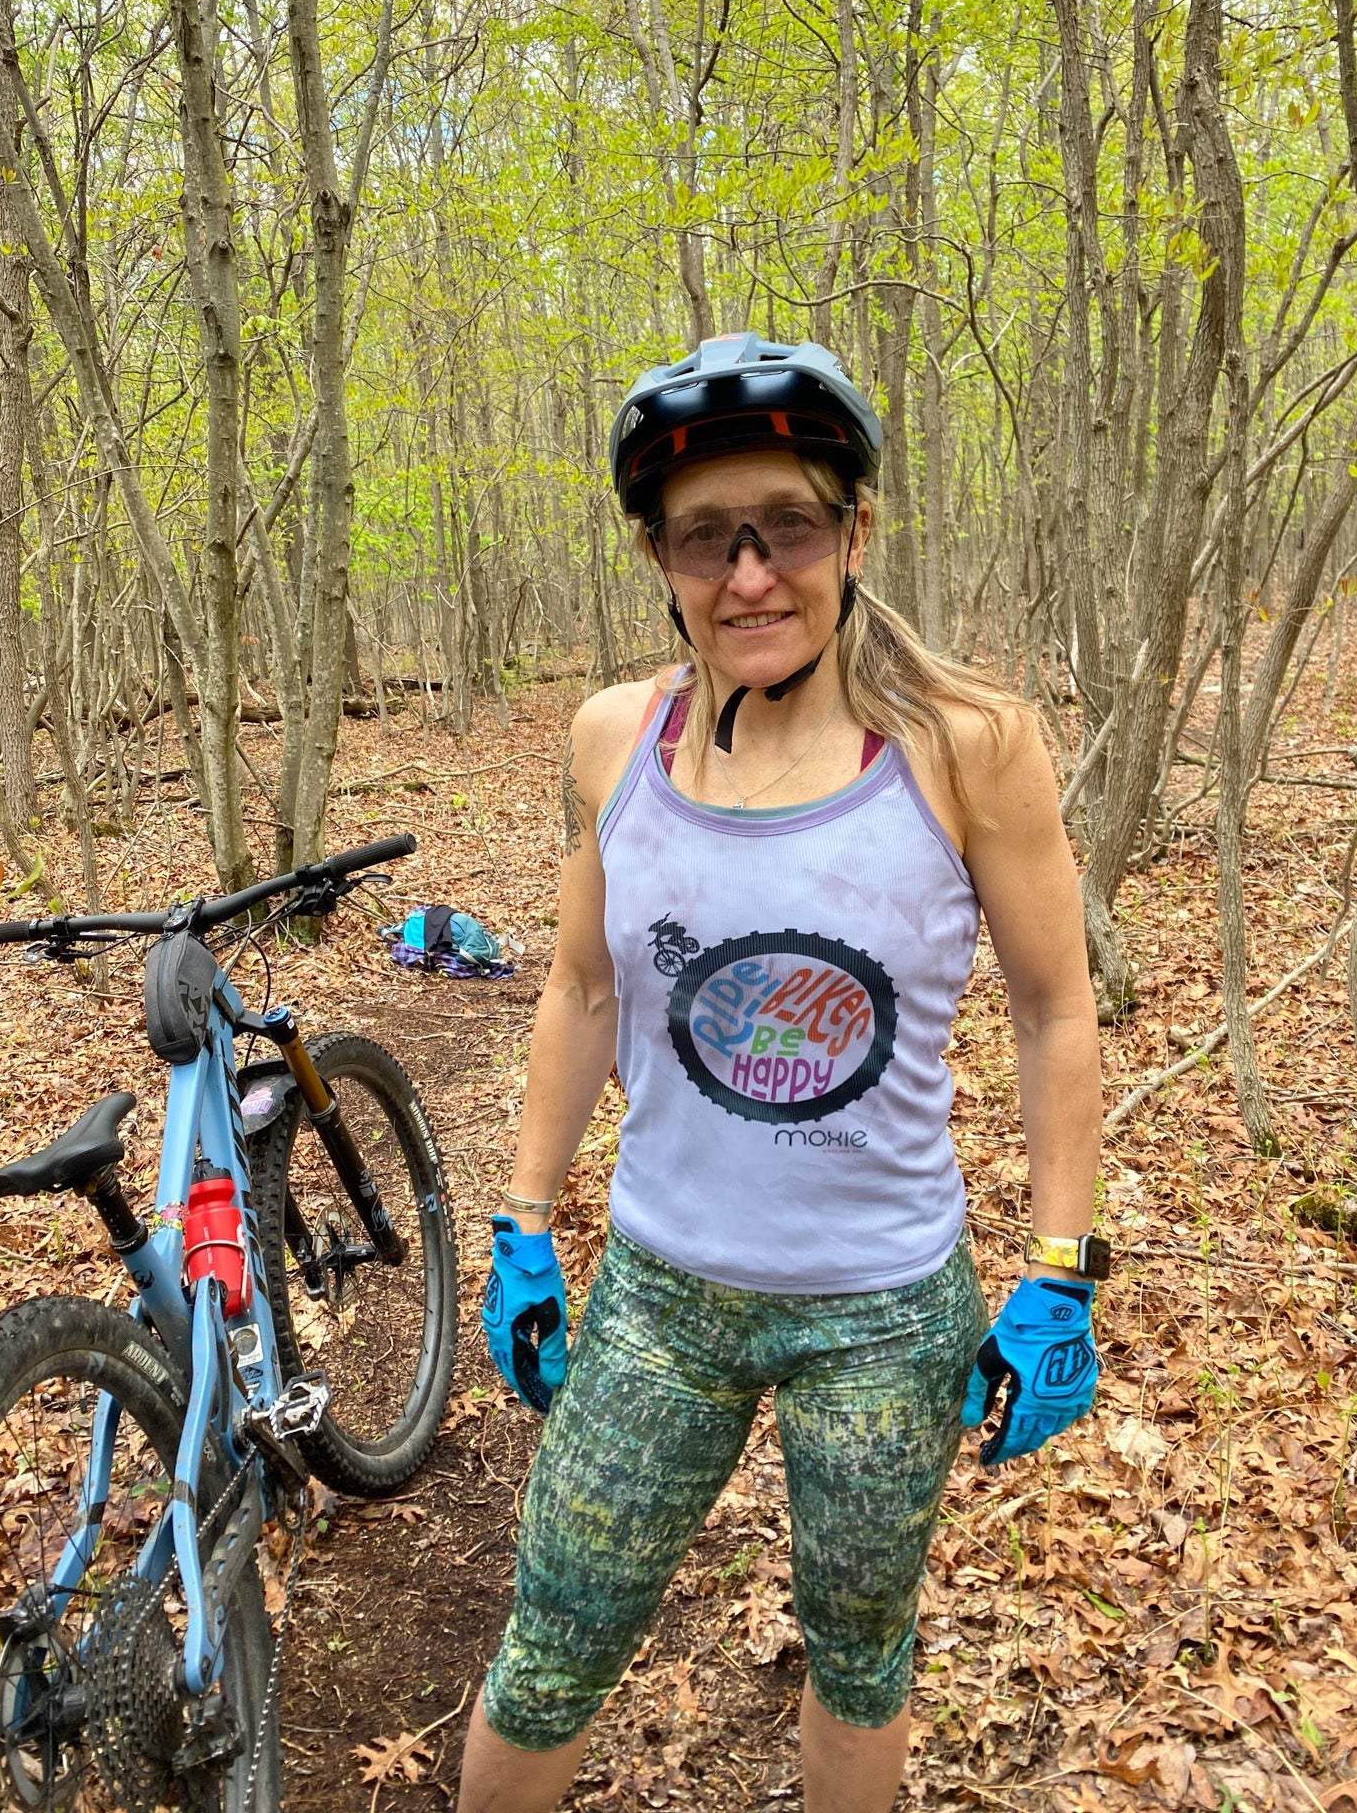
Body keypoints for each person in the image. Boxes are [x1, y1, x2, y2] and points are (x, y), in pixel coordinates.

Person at [458, 335, 1106, 1813]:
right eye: (707, 539)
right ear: (659, 558)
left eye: (789, 528)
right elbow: (580, 984)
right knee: (553, 1643)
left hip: (884, 1311)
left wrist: (1060, 1269)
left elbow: (1056, 1008)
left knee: (862, 1655)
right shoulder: (616, 738)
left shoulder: (967, 744)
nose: (751, 575)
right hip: (659, 1295)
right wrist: (521, 1219)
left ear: (854, 533)